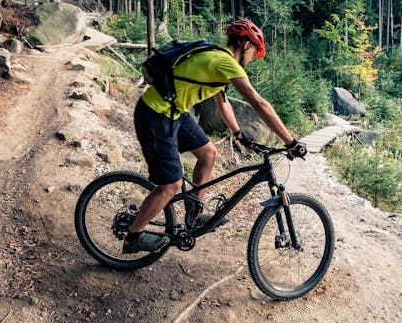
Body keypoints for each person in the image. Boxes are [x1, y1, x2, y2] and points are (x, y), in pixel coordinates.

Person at [125, 19, 307, 253]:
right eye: (254, 51)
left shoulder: (219, 59)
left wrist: (238, 133)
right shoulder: (224, 62)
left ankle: (193, 213)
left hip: (174, 111)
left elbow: (222, 101)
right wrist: (290, 142)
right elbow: (258, 103)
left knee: (208, 153)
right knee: (171, 184)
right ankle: (133, 236)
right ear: (244, 44)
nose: (252, 59)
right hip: (156, 113)